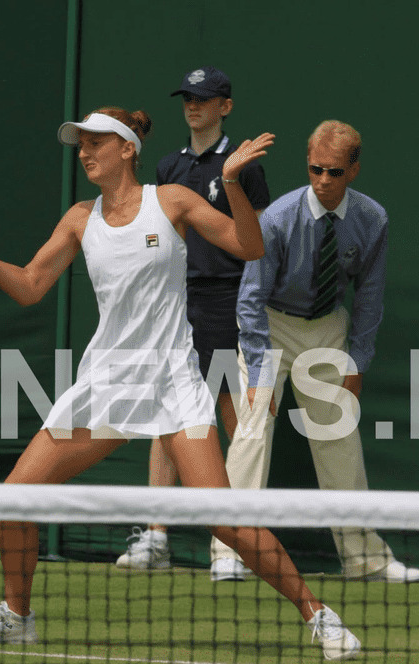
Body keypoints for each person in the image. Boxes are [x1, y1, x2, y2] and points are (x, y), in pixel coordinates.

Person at [0, 108, 360, 660]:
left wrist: (232, 182)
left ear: (126, 149)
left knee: (226, 519)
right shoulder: (78, 218)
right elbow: (29, 285)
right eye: (81, 146)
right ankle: (17, 616)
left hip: (172, 381)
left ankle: (321, 616)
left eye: (96, 144)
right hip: (108, 381)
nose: (85, 153)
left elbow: (249, 245)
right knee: (15, 498)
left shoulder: (173, 202)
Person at [222, 119, 419, 584]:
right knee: (252, 432)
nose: (323, 181)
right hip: (269, 325)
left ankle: (364, 560)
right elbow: (250, 296)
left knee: (340, 441)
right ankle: (230, 552)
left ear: (353, 170)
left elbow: (370, 294)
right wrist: (256, 369)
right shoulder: (277, 217)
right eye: (315, 170)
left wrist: (358, 360)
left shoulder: (372, 219)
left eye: (334, 172)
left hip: (328, 327)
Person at [112, 66, 272, 581]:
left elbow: (257, 242)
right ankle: (156, 537)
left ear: (225, 105)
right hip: (179, 308)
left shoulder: (243, 165)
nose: (193, 106)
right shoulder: (167, 167)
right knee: (167, 417)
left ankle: (229, 547)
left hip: (229, 302)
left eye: (204, 99)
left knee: (230, 419)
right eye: (188, 98)